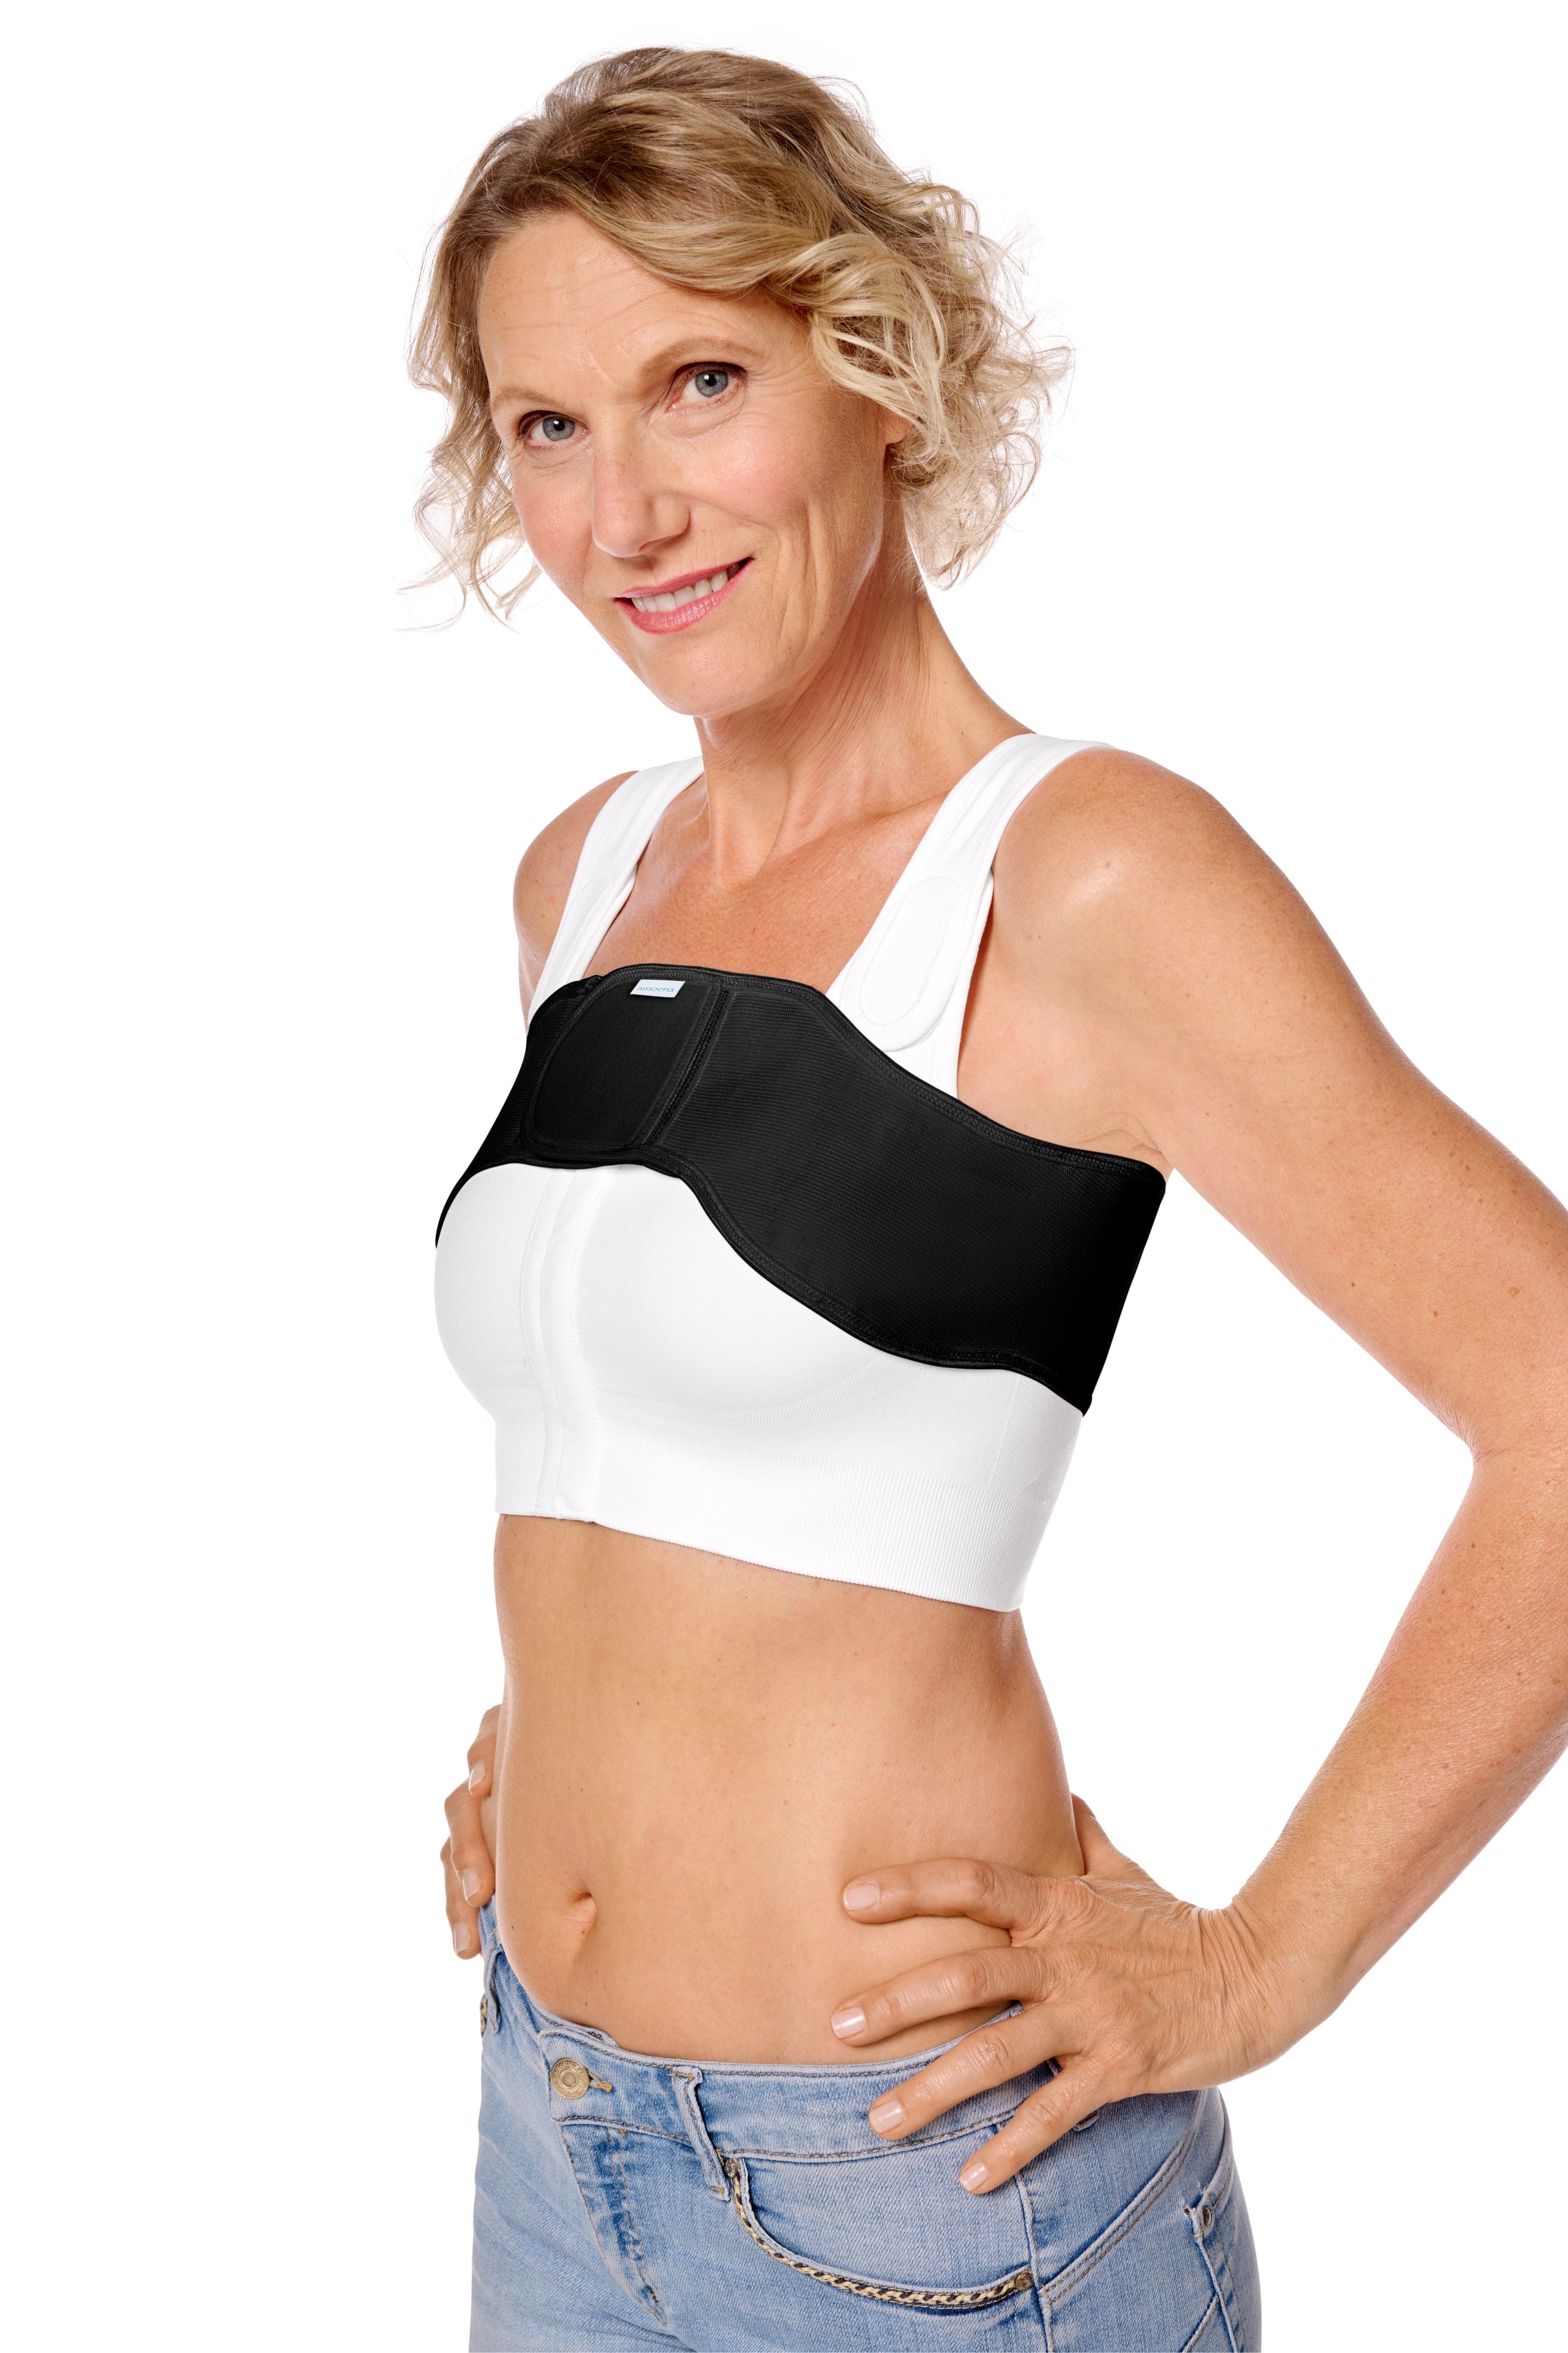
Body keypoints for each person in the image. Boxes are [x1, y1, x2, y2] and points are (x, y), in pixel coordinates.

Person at [417, 46, 1568, 2351]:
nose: (627, 509)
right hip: (555, 2134)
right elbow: (668, 1445)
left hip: (934, 2192)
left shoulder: (1081, 876)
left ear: (878, 368)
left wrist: (1263, 1960)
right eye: (548, 424)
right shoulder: (585, 874)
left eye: (702, 382)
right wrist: (569, 1750)